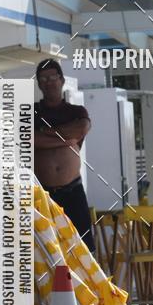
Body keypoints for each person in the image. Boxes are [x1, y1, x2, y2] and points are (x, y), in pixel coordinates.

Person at [34, 59, 95, 252]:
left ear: (61, 80)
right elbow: (30, 139)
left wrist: (46, 133)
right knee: (49, 250)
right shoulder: (31, 112)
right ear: (38, 84)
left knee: (84, 248)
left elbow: (82, 128)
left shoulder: (76, 111)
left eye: (53, 77)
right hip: (43, 193)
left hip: (73, 190)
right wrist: (65, 140)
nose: (49, 82)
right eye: (44, 78)